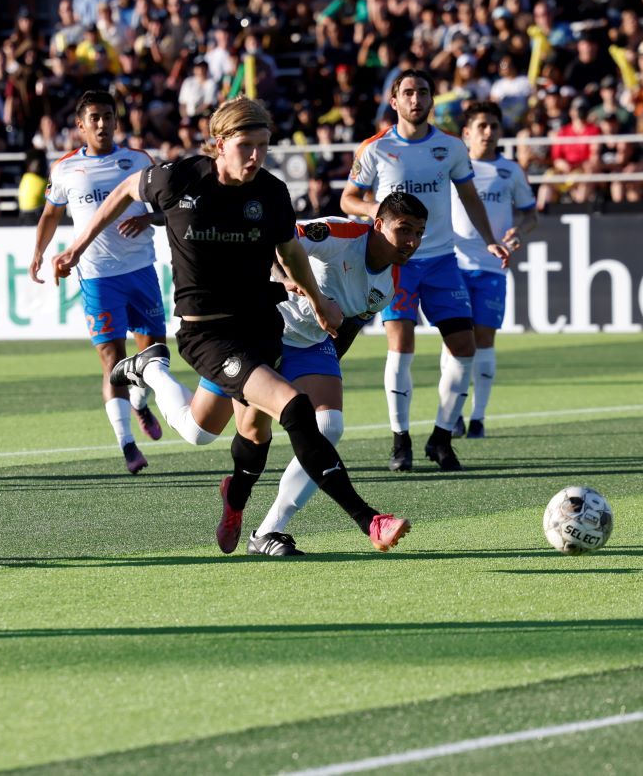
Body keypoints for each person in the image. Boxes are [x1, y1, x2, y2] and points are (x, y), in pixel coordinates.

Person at [53, 98, 412, 554]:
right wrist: (78, 248)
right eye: (246, 145)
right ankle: (369, 519)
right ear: (219, 144)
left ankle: (162, 387)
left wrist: (317, 299)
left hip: (262, 324)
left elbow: (291, 252)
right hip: (209, 333)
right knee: (296, 408)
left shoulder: (272, 193)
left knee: (225, 433)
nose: (256, 156)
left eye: (263, 146)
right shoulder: (179, 178)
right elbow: (126, 188)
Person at [340, 69, 509, 473]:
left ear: (432, 100)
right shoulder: (374, 148)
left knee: (464, 348)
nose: (417, 99)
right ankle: (401, 441)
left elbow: (468, 196)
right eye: (408, 93)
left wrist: (489, 239)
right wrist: (378, 212)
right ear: (394, 101)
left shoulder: (451, 147)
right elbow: (349, 199)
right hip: (396, 265)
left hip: (442, 262)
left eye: (423, 92)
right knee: (401, 349)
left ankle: (441, 437)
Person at [249, 195, 428, 556]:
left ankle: (268, 531)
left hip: (311, 346)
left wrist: (324, 372)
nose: (411, 241)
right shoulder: (339, 232)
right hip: (264, 329)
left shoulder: (389, 284)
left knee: (329, 426)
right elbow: (277, 240)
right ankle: (153, 372)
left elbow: (344, 332)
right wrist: (280, 278)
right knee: (205, 431)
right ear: (378, 224)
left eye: (419, 233)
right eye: (403, 229)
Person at [29, 91, 164, 474]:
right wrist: (38, 252)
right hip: (98, 277)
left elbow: (169, 212)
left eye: (108, 116)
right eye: (95, 118)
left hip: (141, 271)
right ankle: (127, 446)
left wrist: (147, 219)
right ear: (81, 125)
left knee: (155, 356)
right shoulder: (66, 169)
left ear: (117, 121)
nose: (102, 124)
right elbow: (51, 214)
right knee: (113, 361)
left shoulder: (139, 162)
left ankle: (140, 402)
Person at [442, 102, 536, 439]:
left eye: (494, 125)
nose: (488, 132)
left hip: (492, 267)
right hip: (451, 264)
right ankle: (451, 415)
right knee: (454, 340)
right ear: (466, 133)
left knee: (484, 339)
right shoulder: (452, 167)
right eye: (482, 125)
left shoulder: (510, 171)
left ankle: (478, 418)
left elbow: (530, 214)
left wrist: (520, 233)